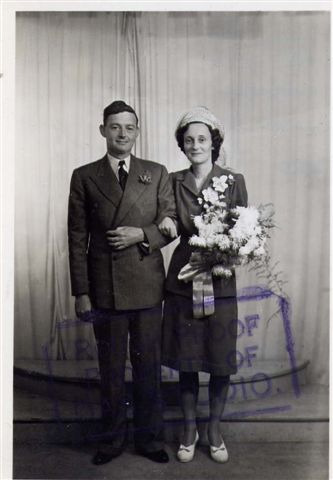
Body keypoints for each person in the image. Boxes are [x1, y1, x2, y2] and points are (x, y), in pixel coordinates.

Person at [67, 100, 177, 466]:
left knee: (148, 367)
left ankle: (149, 439)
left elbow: (170, 223)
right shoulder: (84, 176)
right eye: (115, 127)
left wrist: (140, 234)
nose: (122, 134)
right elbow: (76, 236)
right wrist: (81, 292)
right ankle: (112, 440)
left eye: (129, 127)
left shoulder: (157, 172)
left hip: (146, 286)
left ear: (138, 131)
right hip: (104, 289)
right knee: (111, 369)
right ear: (103, 131)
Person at [159, 106, 248, 463]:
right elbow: (167, 217)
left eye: (202, 139)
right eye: (189, 140)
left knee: (219, 359)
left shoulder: (233, 179)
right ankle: (188, 428)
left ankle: (214, 428)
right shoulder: (173, 180)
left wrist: (228, 249)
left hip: (220, 280)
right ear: (182, 146)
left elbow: (244, 231)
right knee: (187, 359)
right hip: (183, 279)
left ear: (214, 143)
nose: (195, 145)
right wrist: (166, 222)